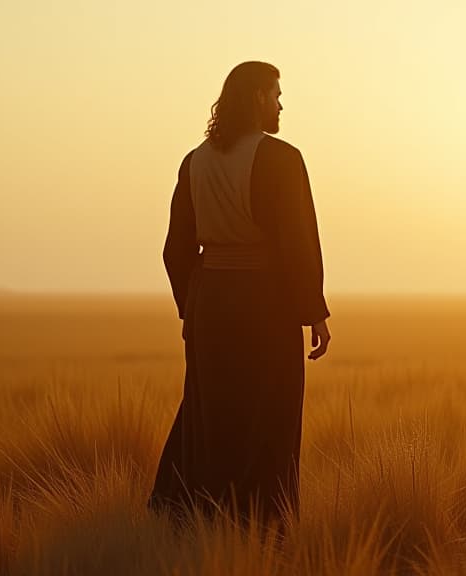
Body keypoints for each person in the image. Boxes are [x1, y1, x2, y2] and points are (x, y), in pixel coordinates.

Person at [149, 61, 331, 525]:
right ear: (256, 98)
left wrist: (193, 307)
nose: (281, 104)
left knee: (211, 415)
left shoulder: (195, 161)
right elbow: (298, 241)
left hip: (211, 303)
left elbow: (175, 249)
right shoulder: (281, 158)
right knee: (271, 415)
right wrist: (314, 312)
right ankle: (264, 528)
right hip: (265, 305)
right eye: (275, 94)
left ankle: (195, 519)